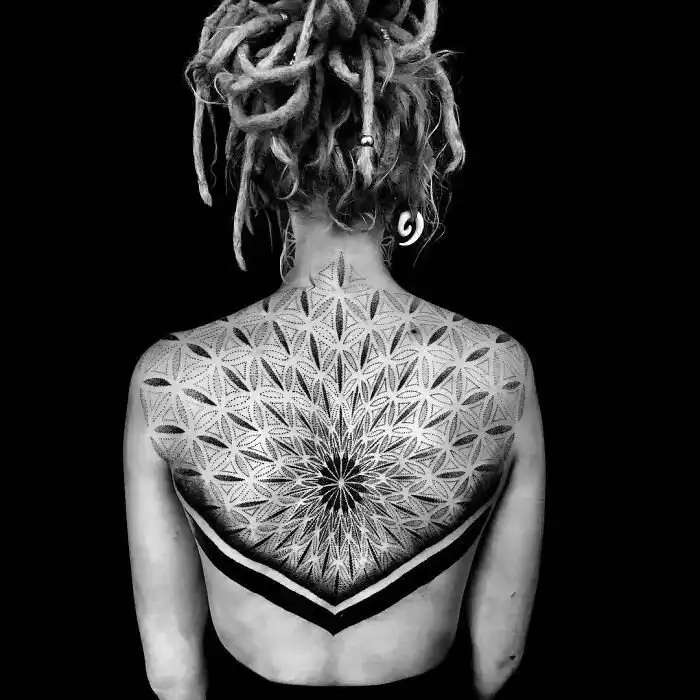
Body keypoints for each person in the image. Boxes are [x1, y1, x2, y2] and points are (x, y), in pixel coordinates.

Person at [123, 1, 545, 698]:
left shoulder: (169, 377)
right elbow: (498, 659)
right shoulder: (500, 369)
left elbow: (171, 668)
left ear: (266, 167)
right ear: (410, 164)